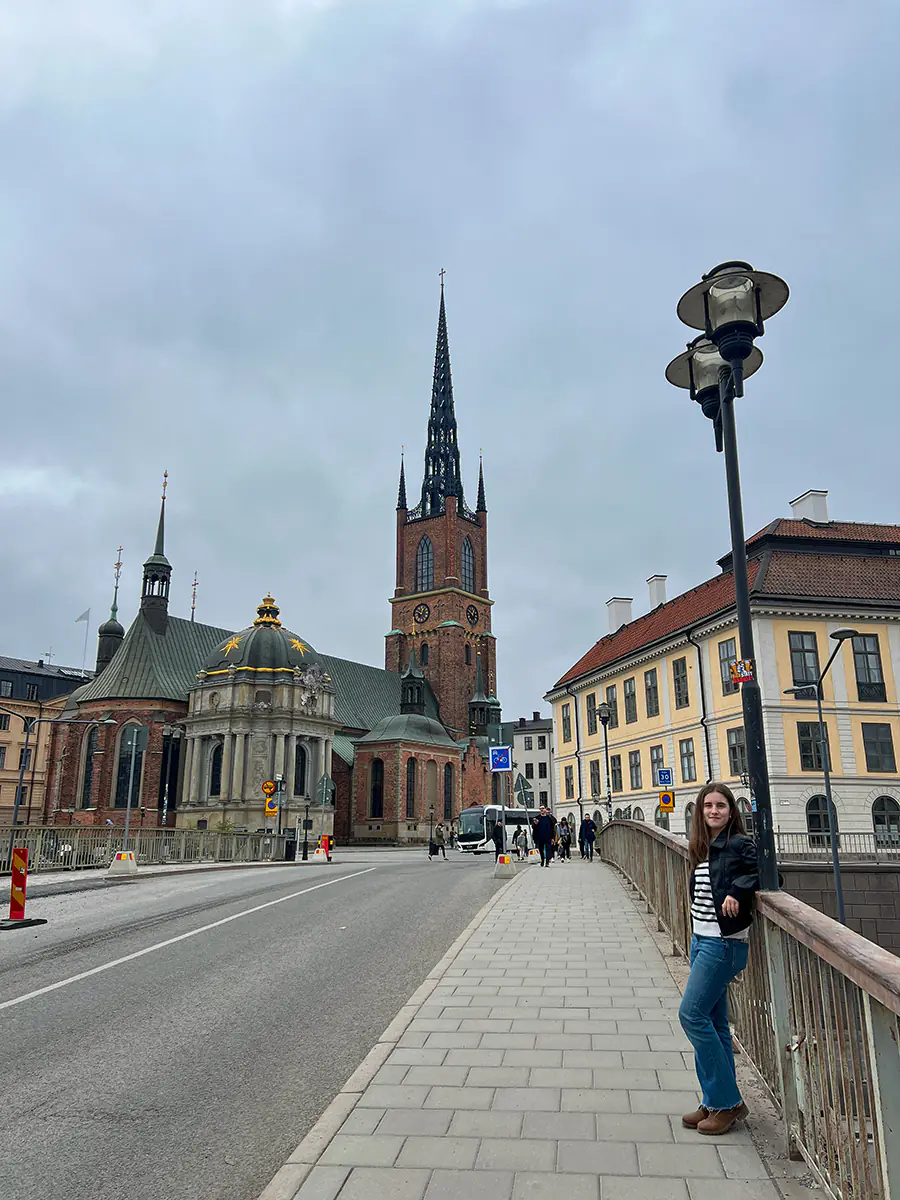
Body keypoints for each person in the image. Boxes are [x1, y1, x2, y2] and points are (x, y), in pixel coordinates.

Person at [679, 781, 758, 1136]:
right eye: (708, 806)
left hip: (723, 944)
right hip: (701, 940)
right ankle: (715, 1099)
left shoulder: (739, 843)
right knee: (713, 1022)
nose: (714, 811)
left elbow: (767, 872)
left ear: (730, 811)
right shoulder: (701, 846)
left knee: (691, 1015)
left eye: (720, 806)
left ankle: (728, 1102)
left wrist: (738, 891)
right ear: (701, 811)